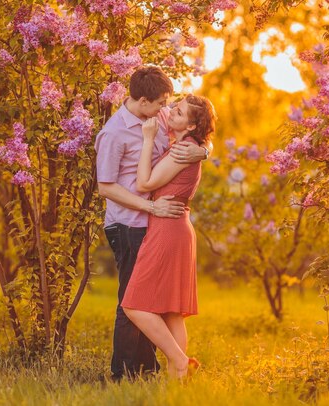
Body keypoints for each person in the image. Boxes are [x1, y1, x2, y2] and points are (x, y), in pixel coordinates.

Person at [95, 66, 211, 381]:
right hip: (129, 224)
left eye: (168, 104)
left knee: (158, 304)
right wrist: (150, 206)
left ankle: (159, 371)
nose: (165, 109)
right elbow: (105, 187)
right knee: (131, 303)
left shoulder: (156, 118)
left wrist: (204, 149)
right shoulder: (113, 133)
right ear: (144, 100)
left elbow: (191, 133)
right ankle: (128, 374)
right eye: (161, 103)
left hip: (159, 224)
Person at [122, 94, 216, 378]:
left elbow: (144, 183)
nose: (171, 112)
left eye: (179, 112)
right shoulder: (187, 143)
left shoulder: (182, 150)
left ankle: (180, 361)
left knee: (134, 306)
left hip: (167, 229)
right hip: (175, 228)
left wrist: (148, 138)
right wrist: (206, 148)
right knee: (172, 311)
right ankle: (181, 384)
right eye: (173, 108)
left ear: (190, 126)